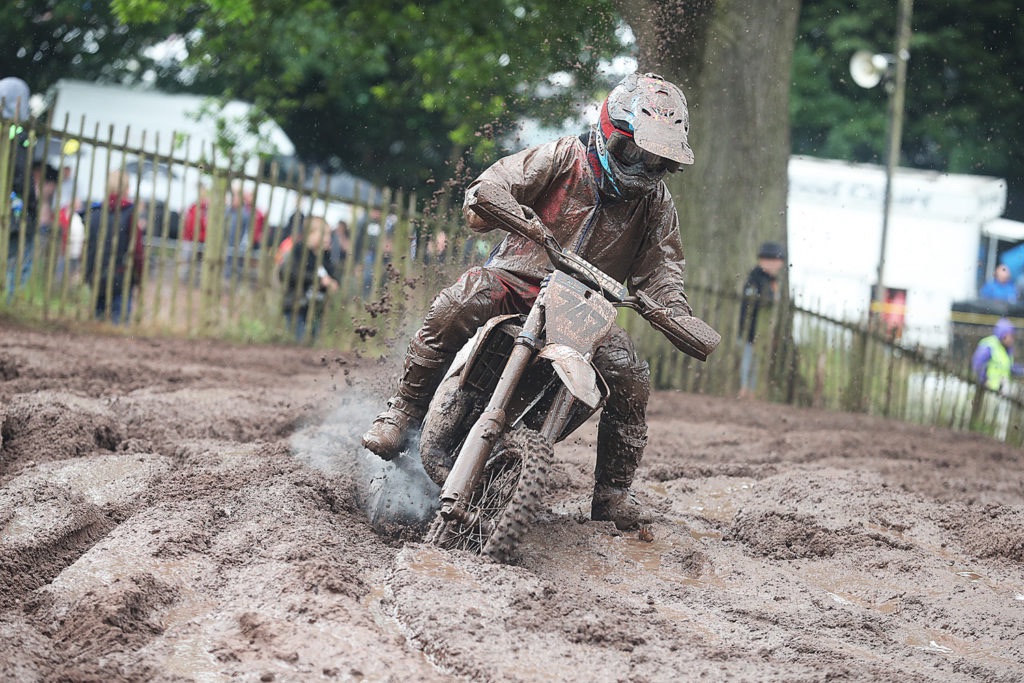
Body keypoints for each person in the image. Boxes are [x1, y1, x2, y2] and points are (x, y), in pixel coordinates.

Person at [361, 72, 697, 531]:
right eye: (635, 152)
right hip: (517, 281)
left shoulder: (657, 204)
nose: (643, 167)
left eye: (657, 161)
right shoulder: (564, 156)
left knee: (629, 373)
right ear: (609, 133)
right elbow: (494, 184)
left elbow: (662, 270)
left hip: (585, 310)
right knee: (461, 299)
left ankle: (613, 492)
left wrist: (673, 310)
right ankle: (403, 410)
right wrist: (503, 207)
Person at [84, 170, 144, 324]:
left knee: (96, 323)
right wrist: (140, 278)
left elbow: (89, 248)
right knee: (120, 324)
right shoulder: (130, 213)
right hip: (121, 278)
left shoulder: (95, 212)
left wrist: (87, 274)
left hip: (97, 276)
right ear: (126, 189)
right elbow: (137, 251)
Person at [2, 77, 37, 296]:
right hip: (14, 210)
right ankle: (8, 302)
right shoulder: (15, 133)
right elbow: (21, 176)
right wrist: (30, 206)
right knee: (16, 262)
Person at [737, 241, 786, 399]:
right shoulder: (755, 279)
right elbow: (751, 305)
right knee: (748, 359)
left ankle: (752, 390)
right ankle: (744, 388)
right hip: (751, 328)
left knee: (756, 361)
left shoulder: (772, 281)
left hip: (763, 331)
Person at [280, 215, 339, 342]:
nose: (328, 238)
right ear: (310, 235)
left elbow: (332, 275)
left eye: (329, 235)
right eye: (323, 234)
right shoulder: (299, 252)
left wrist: (333, 282)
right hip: (297, 306)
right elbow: (288, 273)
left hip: (317, 308)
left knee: (313, 341)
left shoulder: (326, 257)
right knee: (298, 340)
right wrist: (318, 280)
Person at [971, 317, 1024, 393]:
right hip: (988, 390)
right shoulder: (989, 345)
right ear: (1003, 335)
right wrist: (983, 380)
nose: (1012, 339)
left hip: (1001, 391)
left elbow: (1009, 368)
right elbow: (978, 364)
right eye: (1010, 336)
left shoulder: (1006, 350)